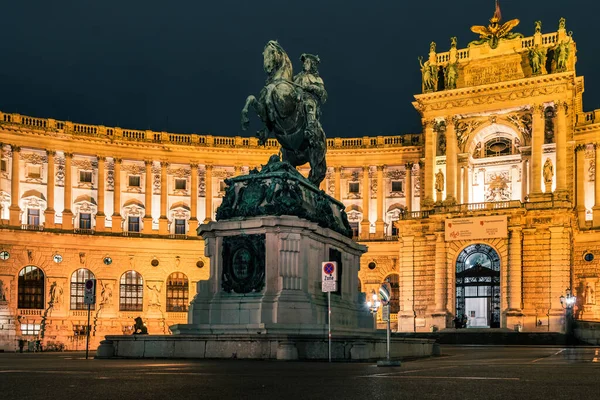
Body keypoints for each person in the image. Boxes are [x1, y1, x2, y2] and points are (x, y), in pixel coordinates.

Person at [293, 53, 327, 139]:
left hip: (308, 99)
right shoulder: (295, 78)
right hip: (295, 100)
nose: (304, 64)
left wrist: (313, 87)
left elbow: (324, 95)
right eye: (304, 62)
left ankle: (311, 128)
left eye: (307, 62)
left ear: (312, 64)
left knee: (308, 104)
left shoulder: (317, 79)